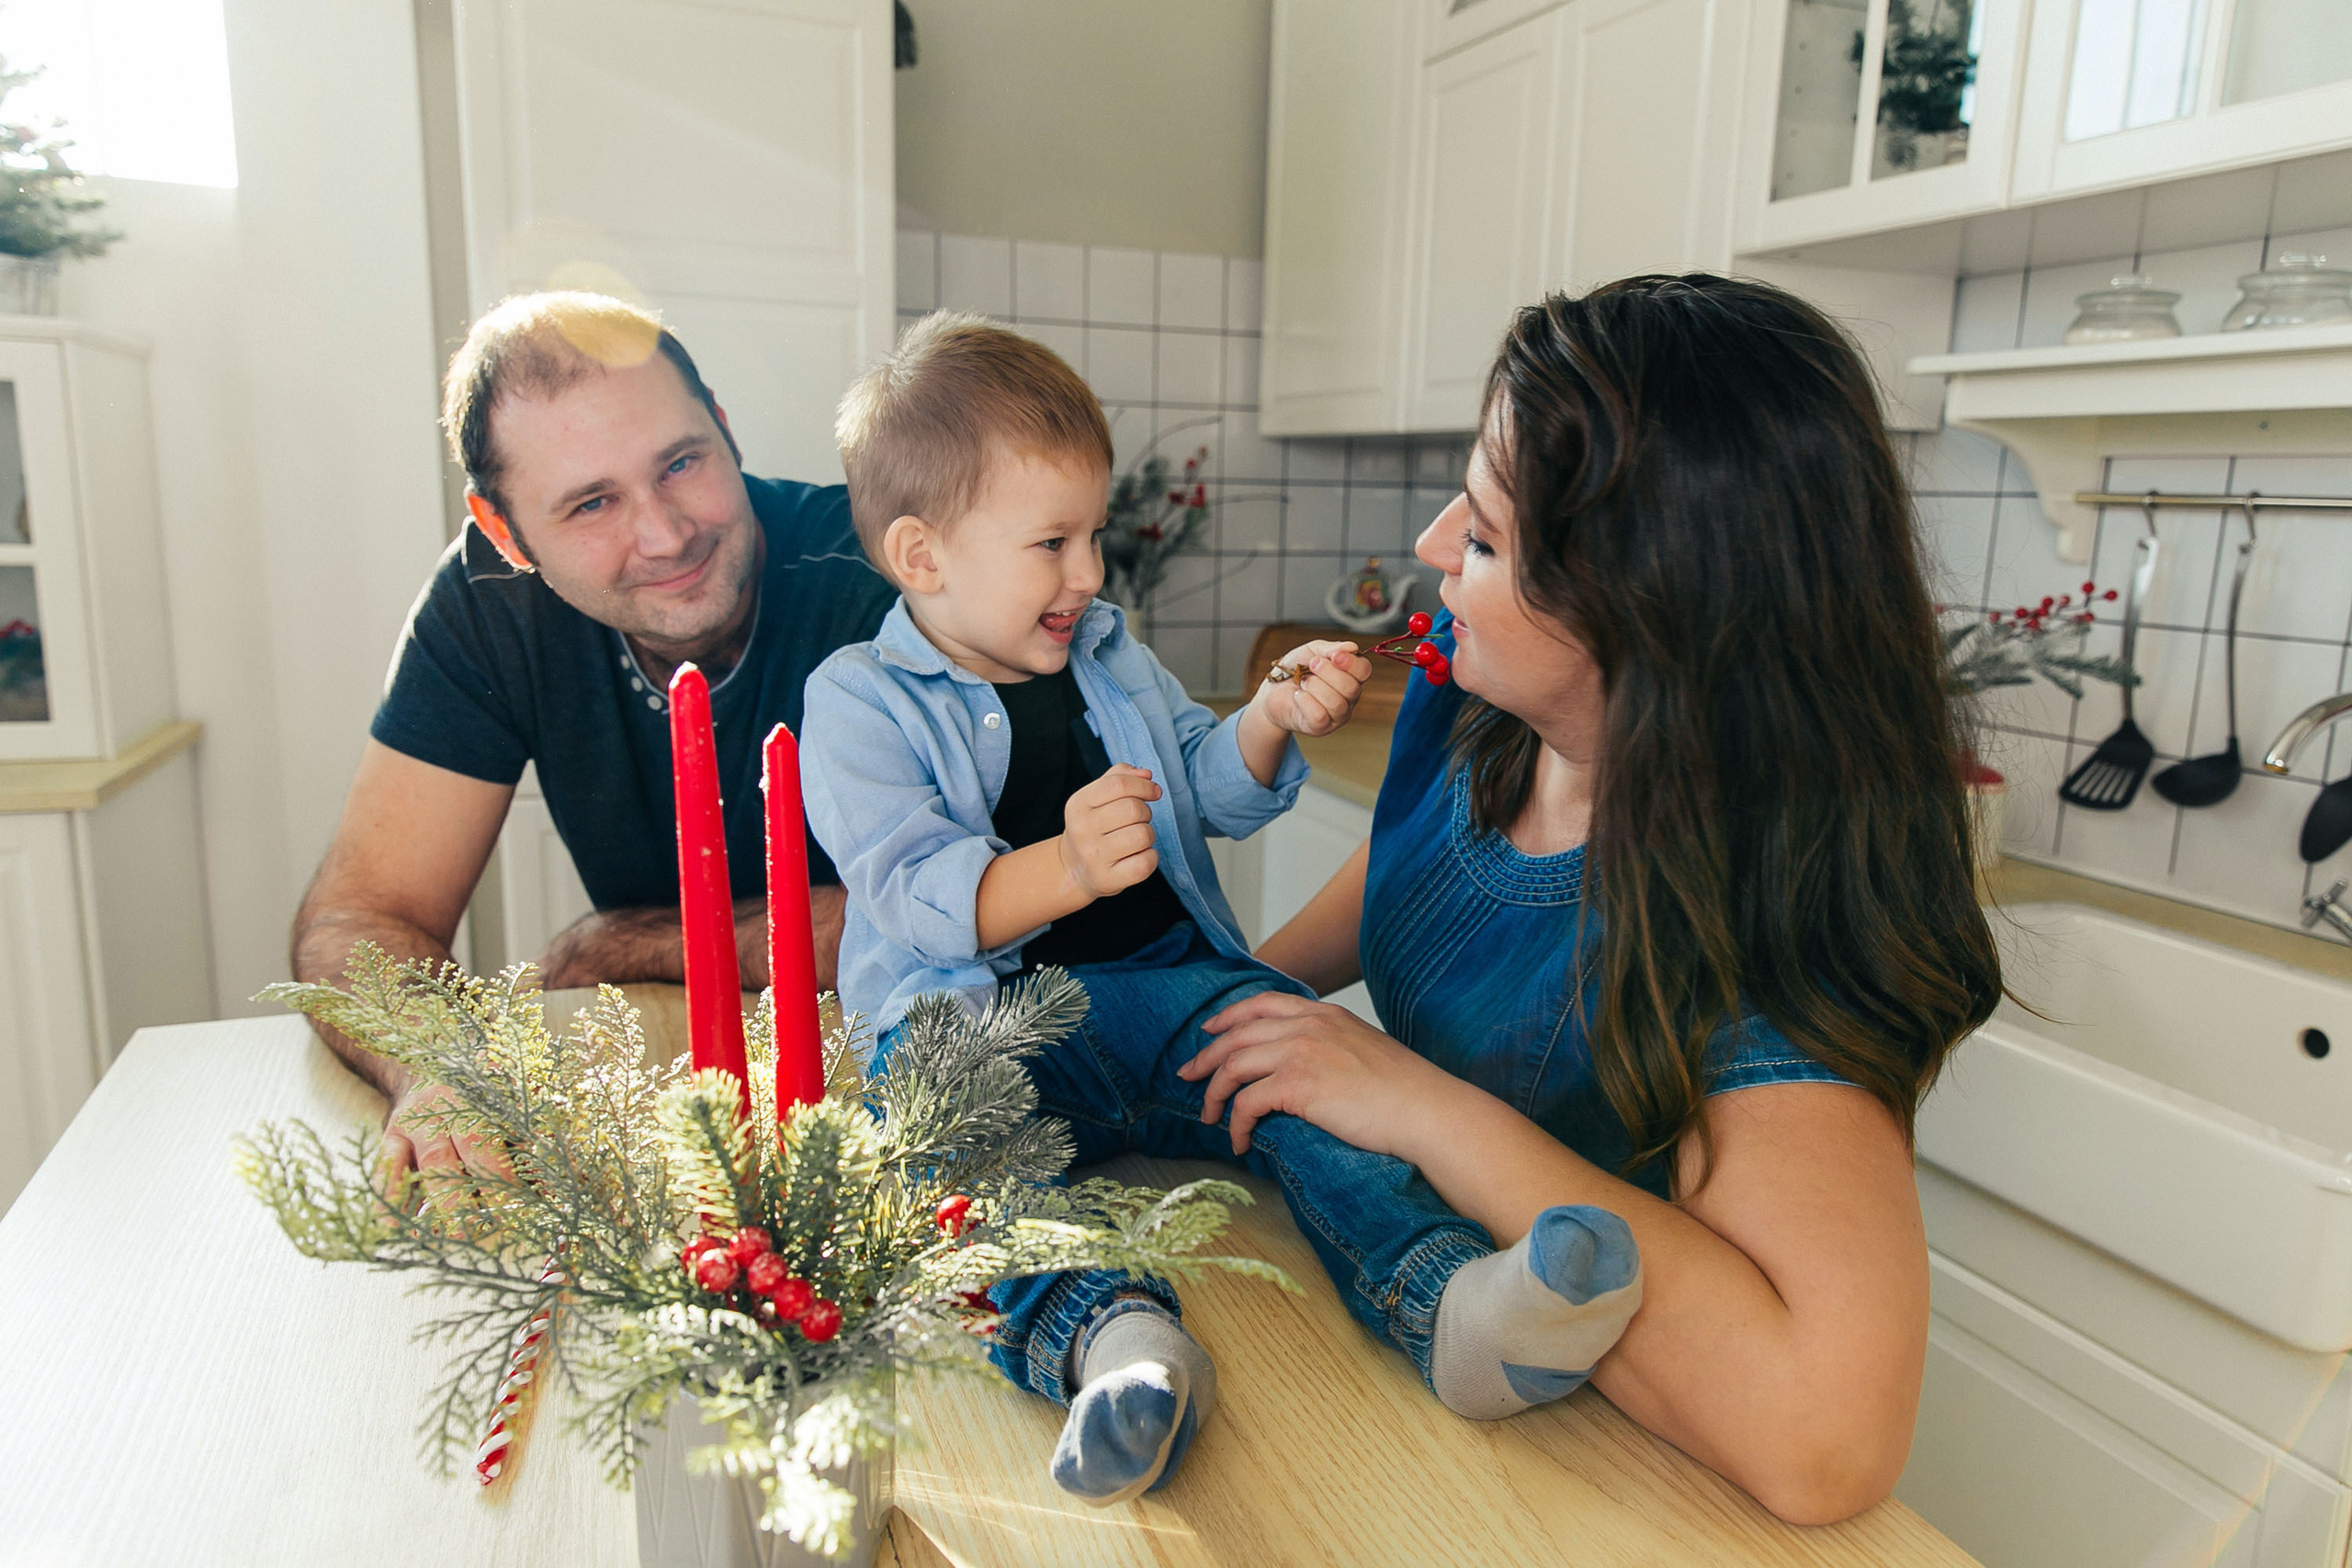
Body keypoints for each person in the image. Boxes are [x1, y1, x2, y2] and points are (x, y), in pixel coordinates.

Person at [1174, 276, 2005, 1524]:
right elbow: (1422, 867)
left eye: (1494, 538)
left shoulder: (1763, 933)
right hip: (1390, 1355)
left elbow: (1828, 1441)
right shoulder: (1478, 698)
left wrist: (1405, 1097)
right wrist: (1240, 998)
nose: (1435, 544)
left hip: (1591, 1467)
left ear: (1652, 607)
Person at [801, 313, 1646, 1508]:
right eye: (1053, 541)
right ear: (922, 555)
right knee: (933, 1155)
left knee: (1306, 1066)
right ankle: (1120, 1347)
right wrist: (1065, 868)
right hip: (979, 1027)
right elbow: (911, 890)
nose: (1089, 573)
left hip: (1160, 991)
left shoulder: (1107, 651)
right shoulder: (860, 700)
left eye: (1093, 534)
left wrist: (1264, 719)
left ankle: (1447, 1299)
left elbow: (1201, 784)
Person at [291, 292, 895, 1186]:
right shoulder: (484, 606)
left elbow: (976, 903)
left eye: (682, 462)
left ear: (723, 428)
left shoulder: (887, 567)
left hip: (910, 1097)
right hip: (673, 1117)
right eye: (590, 504)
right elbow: (360, 918)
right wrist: (442, 1069)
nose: (665, 533)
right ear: (506, 532)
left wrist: (616, 945)